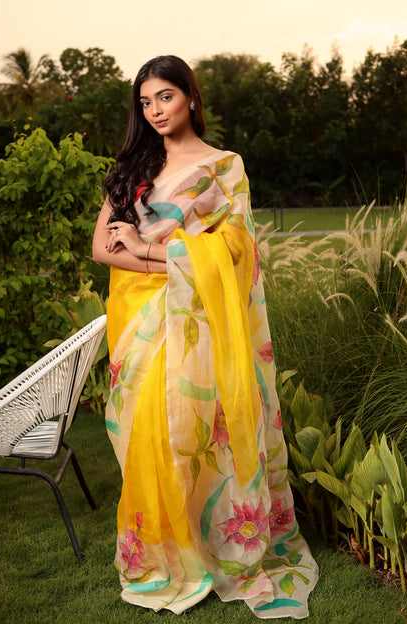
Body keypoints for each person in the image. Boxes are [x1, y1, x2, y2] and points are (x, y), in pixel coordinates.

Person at [92, 55, 318, 619]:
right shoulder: (131, 169)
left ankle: (209, 544)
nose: (155, 110)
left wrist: (144, 250)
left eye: (164, 96)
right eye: (145, 102)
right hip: (137, 322)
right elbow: (100, 249)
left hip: (192, 320)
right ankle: (164, 548)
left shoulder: (224, 167)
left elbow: (237, 254)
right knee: (143, 433)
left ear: (190, 97)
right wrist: (157, 261)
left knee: (196, 431)